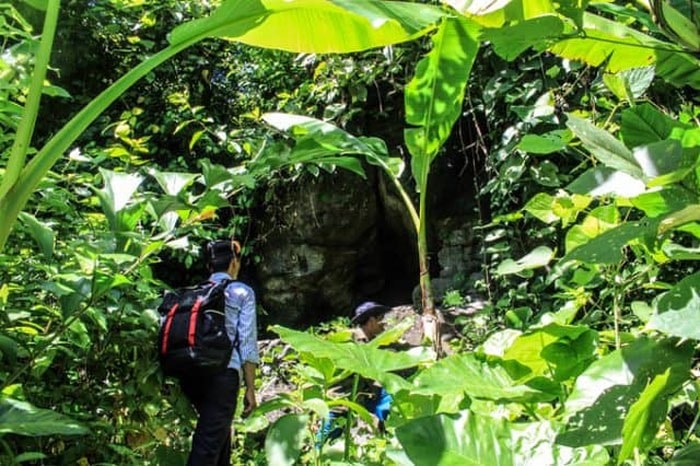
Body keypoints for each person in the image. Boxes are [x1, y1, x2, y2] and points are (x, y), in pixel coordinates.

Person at [178, 239, 259, 466]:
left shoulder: (197, 293)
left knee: (218, 437)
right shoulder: (241, 291)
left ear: (209, 267)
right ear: (234, 263)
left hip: (192, 374)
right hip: (223, 375)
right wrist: (251, 388)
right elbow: (247, 343)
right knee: (207, 446)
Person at [317, 301, 393, 446]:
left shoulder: (372, 342)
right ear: (371, 321)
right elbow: (366, 372)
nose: (384, 323)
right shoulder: (351, 340)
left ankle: (382, 435)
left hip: (361, 395)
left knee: (387, 398)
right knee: (327, 434)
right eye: (381, 318)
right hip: (341, 397)